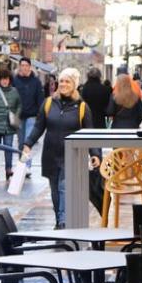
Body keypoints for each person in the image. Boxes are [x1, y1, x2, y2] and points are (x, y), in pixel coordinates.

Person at [22, 68, 97, 229]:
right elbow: (38, 127)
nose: (63, 84)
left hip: (72, 155)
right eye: (61, 81)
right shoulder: (49, 103)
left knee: (64, 187)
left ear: (74, 85)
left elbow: (90, 133)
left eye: (67, 81)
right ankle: (59, 220)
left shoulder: (82, 107)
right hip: (50, 154)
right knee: (55, 190)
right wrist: (28, 144)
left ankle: (63, 222)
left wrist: (95, 153)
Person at [12, 56, 44, 149]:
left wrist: (40, 113)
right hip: (19, 115)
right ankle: (21, 162)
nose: (24, 67)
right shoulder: (15, 81)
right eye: (22, 65)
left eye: (26, 65)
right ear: (19, 67)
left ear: (30, 67)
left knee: (28, 142)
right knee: (21, 142)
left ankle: (27, 163)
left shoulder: (36, 81)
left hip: (32, 115)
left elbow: (40, 98)